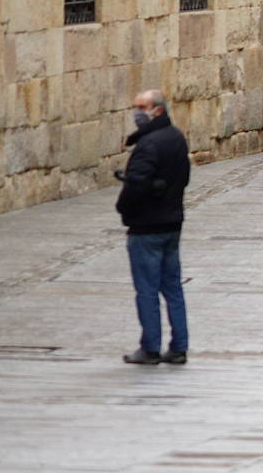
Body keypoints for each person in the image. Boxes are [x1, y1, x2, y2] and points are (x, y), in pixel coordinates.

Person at [114, 90, 191, 365]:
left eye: (142, 107)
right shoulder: (176, 138)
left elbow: (135, 185)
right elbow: (183, 177)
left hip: (147, 226)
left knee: (147, 289)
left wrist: (123, 209)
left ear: (157, 109)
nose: (136, 112)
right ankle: (179, 346)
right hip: (172, 222)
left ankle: (150, 347)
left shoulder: (148, 144)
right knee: (172, 288)